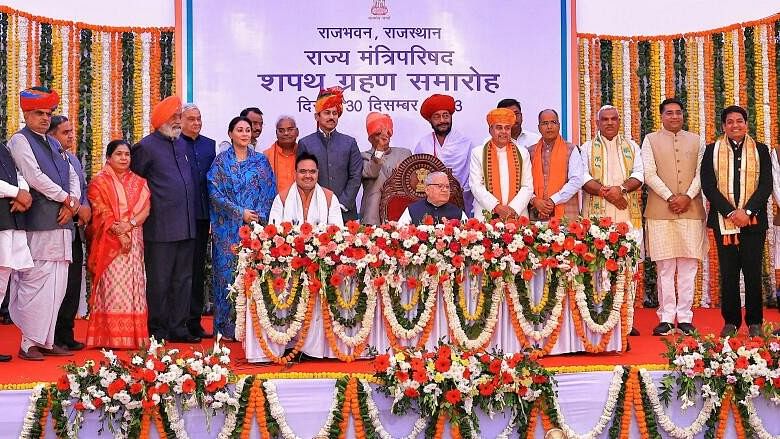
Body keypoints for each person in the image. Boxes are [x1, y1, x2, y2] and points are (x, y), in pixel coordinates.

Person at [7, 87, 81, 360]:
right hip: (39, 222)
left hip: (61, 224)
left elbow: (72, 172)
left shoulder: (53, 143)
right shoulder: (20, 141)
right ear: (26, 114)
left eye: (48, 114)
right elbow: (34, 176)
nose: (44, 118)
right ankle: (29, 343)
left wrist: (72, 201)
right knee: (36, 282)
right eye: (38, 113)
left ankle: (47, 340)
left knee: (57, 285)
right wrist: (66, 200)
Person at [131, 95, 200, 343]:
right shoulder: (145, 147)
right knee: (159, 280)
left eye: (179, 117)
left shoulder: (181, 144)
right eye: (175, 117)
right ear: (161, 120)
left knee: (184, 279)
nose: (179, 122)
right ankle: (157, 329)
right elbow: (135, 185)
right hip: (160, 227)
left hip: (187, 225)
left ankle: (178, 328)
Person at [702, 105, 772, 338]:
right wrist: (732, 213)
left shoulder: (761, 150)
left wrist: (748, 211)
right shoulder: (712, 150)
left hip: (754, 222)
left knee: (753, 271)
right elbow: (708, 186)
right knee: (729, 272)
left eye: (739, 121)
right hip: (724, 221)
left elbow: (766, 185)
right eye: (730, 122)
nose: (735, 125)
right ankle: (731, 321)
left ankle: (754, 322)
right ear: (723, 126)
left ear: (746, 124)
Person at [642, 98, 707, 337]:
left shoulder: (697, 140)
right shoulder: (650, 140)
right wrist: (671, 197)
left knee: (689, 266)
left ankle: (686, 317)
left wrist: (687, 196)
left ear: (683, 115)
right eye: (669, 113)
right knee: (666, 267)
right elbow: (648, 173)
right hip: (660, 211)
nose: (674, 117)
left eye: (678, 113)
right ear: (661, 116)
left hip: (691, 210)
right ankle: (667, 318)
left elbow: (703, 173)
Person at [208, 116, 276, 340]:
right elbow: (214, 193)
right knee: (226, 275)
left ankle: (252, 326)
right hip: (227, 230)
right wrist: (240, 212)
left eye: (248, 130)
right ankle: (226, 327)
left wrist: (257, 218)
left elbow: (269, 191)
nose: (245, 133)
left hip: (255, 229)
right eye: (240, 130)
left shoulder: (260, 162)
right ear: (230, 134)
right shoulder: (220, 162)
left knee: (253, 273)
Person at [580, 105, 643, 337]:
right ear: (597, 123)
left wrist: (621, 190)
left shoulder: (632, 147)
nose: (609, 123)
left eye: (613, 119)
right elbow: (583, 178)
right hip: (597, 219)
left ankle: (626, 320)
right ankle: (598, 317)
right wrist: (610, 193)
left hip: (626, 216)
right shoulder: (587, 148)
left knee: (628, 268)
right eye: (604, 119)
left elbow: (639, 174)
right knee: (598, 269)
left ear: (619, 121)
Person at [85, 140, 151, 349]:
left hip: (134, 239)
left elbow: (146, 209)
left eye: (127, 154)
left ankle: (134, 337)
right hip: (110, 243)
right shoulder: (98, 182)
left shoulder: (139, 182)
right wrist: (119, 232)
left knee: (135, 286)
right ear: (108, 158)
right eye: (119, 154)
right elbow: (101, 210)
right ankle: (111, 338)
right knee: (113, 288)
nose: (124, 158)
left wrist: (129, 225)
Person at [48, 115, 91, 351]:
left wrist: (84, 208)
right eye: (65, 132)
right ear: (52, 136)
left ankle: (66, 333)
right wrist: (70, 207)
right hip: (55, 227)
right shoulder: (48, 159)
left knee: (73, 284)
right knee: (55, 285)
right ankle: (50, 335)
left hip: (74, 230)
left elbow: (82, 190)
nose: (71, 136)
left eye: (72, 131)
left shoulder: (73, 160)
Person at [177, 104, 216, 339]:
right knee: (181, 270)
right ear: (180, 121)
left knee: (198, 269)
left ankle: (194, 320)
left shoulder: (208, 144)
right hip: (181, 216)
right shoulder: (175, 144)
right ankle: (178, 321)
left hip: (203, 215)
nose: (196, 123)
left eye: (199, 119)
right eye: (191, 119)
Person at [297, 87, 362, 222]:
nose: (331, 117)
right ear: (317, 116)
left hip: (345, 212)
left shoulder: (349, 143)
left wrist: (342, 204)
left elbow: (355, 176)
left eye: (335, 113)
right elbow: (302, 178)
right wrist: (314, 205)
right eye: (327, 113)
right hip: (314, 212)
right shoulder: (305, 143)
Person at [0, 140, 33, 362]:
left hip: (9, 221)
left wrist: (24, 194)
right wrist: (16, 193)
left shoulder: (4, 148)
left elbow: (19, 174)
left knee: (2, 282)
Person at [469, 108, 533, 221]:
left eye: (507, 128)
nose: (503, 131)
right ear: (490, 130)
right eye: (499, 127)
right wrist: (496, 207)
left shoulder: (522, 153)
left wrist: (512, 209)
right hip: (486, 213)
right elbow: (476, 185)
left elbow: (527, 186)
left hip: (517, 213)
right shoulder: (478, 153)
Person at [414, 94, 475, 212]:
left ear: (451, 117)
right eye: (437, 117)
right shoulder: (423, 144)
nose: (442, 120)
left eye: (445, 116)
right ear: (430, 120)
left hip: (461, 201)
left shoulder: (466, 143)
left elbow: (473, 176)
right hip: (430, 203)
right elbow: (416, 175)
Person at [528, 109, 583, 221]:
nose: (549, 127)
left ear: (558, 125)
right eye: (545, 123)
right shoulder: (530, 152)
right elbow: (524, 182)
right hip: (536, 213)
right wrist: (535, 200)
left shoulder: (571, 149)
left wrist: (553, 200)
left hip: (566, 215)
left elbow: (576, 180)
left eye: (553, 122)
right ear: (539, 128)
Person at [360, 112, 411, 224]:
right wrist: (379, 150)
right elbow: (371, 172)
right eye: (378, 133)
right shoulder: (363, 156)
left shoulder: (405, 153)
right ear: (370, 138)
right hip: (373, 217)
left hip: (401, 215)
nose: (384, 136)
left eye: (387, 132)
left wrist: (403, 173)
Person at [269, 152, 343, 226]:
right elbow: (274, 230)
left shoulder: (330, 198)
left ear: (317, 173)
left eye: (312, 171)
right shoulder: (282, 198)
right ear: (295, 173)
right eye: (303, 171)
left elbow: (336, 231)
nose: (308, 176)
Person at [397, 171, 466, 225]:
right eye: (440, 186)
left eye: (447, 187)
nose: (445, 190)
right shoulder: (412, 210)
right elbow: (400, 235)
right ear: (427, 190)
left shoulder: (458, 213)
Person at [264, 115, 299, 194]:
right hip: (274, 203)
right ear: (276, 133)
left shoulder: (305, 154)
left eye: (290, 129)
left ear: (297, 132)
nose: (286, 133)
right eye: (281, 130)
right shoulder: (266, 156)